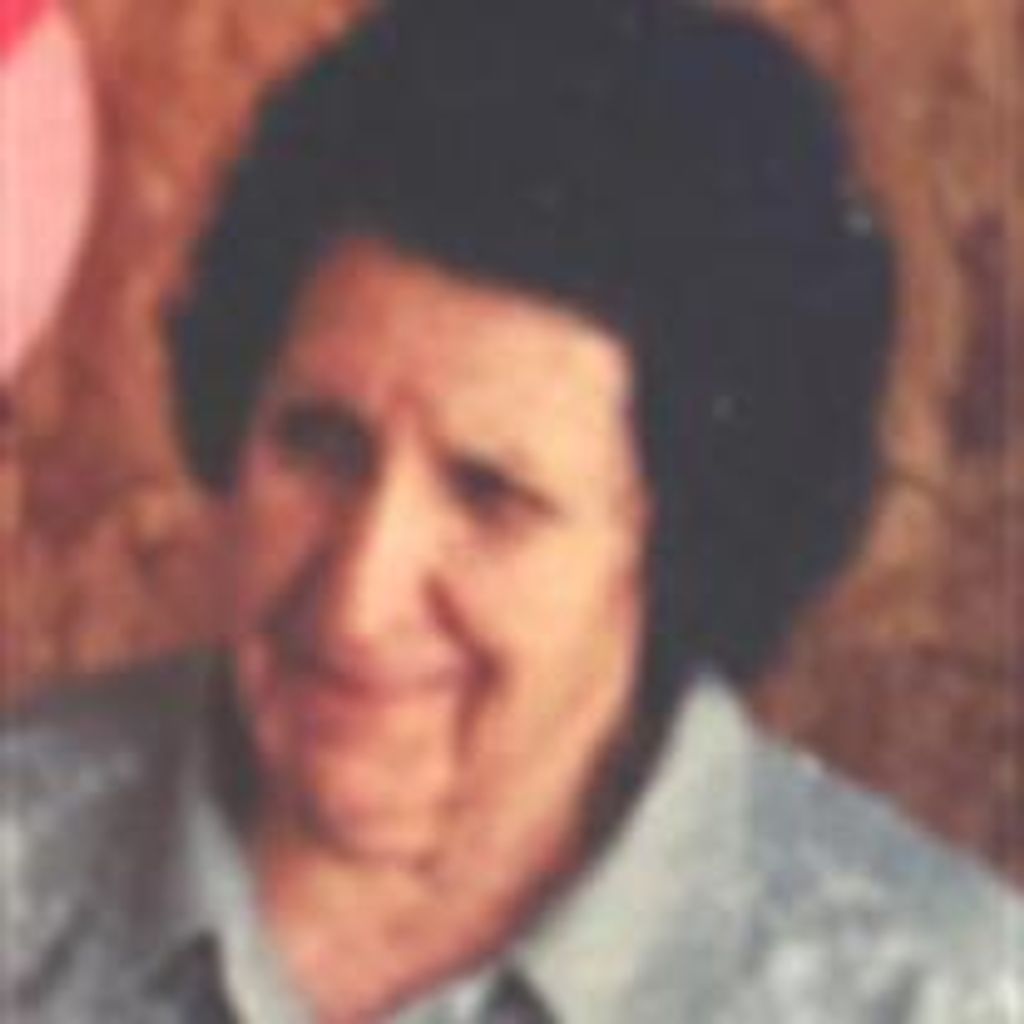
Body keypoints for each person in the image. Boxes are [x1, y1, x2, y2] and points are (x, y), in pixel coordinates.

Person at [2, 0, 1021, 1021]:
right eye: (317, 444)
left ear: (677, 545)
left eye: (490, 495)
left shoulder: (932, 996)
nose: (358, 601)